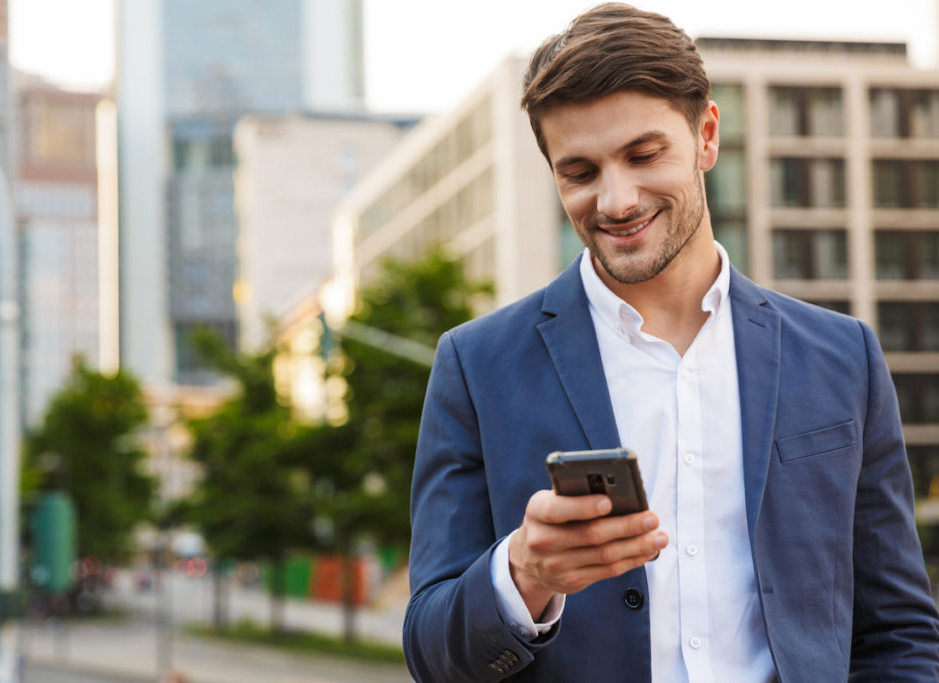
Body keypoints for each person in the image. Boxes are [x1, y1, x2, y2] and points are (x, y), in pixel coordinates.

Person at [401, 3, 939, 681]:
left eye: (643, 154)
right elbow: (429, 650)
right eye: (580, 171)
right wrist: (522, 575)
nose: (616, 199)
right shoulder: (476, 366)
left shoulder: (842, 359)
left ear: (706, 135)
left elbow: (899, 632)